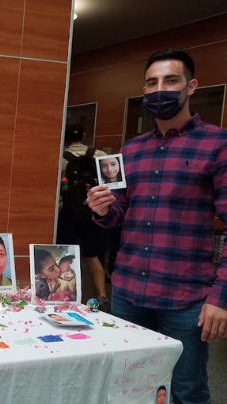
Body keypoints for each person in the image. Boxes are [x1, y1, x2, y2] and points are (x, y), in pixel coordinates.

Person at [87, 49, 227, 404]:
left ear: (191, 86)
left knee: (186, 390)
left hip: (186, 298)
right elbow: (119, 215)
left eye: (170, 81)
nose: (159, 89)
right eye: (152, 83)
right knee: (128, 386)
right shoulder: (130, 151)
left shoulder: (218, 144)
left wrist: (221, 299)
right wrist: (103, 209)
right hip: (129, 292)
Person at [57, 121, 111, 310]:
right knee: (92, 255)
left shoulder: (61, 158)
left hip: (68, 214)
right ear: (84, 135)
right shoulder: (101, 155)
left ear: (65, 138)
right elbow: (111, 182)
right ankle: (102, 294)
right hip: (94, 212)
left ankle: (66, 294)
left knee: (66, 254)